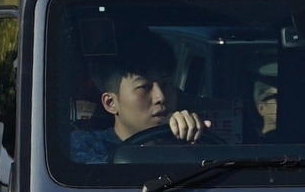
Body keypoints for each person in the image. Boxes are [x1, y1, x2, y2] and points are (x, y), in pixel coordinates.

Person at [72, 45, 205, 163]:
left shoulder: (192, 143)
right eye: (144, 87)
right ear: (111, 103)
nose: (161, 97)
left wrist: (191, 145)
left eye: (167, 84)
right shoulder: (84, 145)